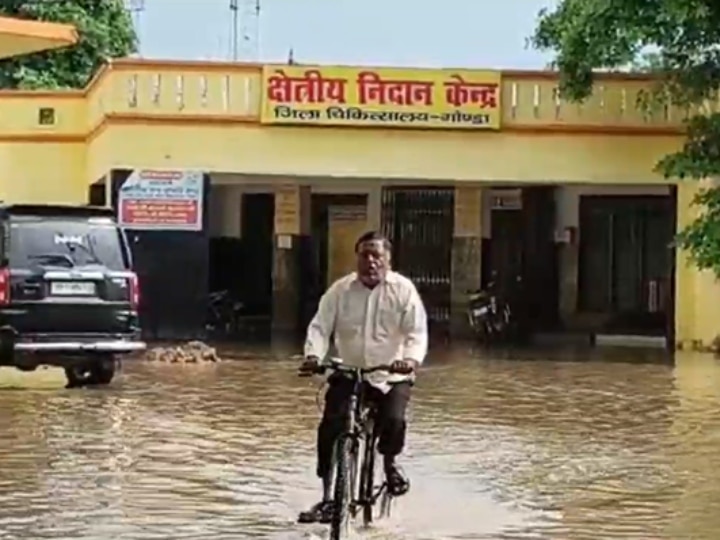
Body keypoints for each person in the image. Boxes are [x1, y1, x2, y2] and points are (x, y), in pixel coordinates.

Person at [297, 230, 428, 524]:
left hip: (390, 375)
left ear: (388, 260)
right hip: (348, 371)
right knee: (331, 426)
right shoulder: (340, 290)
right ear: (356, 258)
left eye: (376, 255)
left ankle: (390, 463)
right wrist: (313, 357)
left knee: (394, 420)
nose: (370, 261)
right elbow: (320, 327)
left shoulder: (404, 291)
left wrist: (409, 360)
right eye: (364, 255)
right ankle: (329, 495)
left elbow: (416, 332)